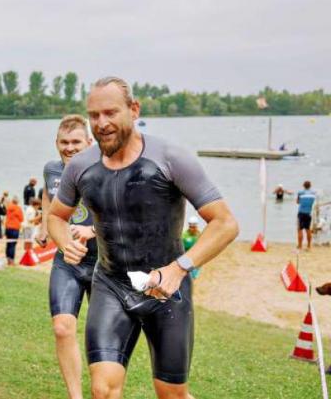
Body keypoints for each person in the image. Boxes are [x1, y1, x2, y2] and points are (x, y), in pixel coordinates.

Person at [49, 76, 238, 399]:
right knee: (103, 390)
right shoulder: (80, 166)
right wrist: (64, 241)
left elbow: (225, 223)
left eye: (111, 113)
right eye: (94, 115)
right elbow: (56, 215)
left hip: (166, 289)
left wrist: (179, 269)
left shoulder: (170, 158)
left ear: (134, 109)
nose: (101, 123)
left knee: (171, 394)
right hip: (111, 285)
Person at [41, 114, 98, 399]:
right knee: (62, 328)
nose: (70, 147)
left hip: (104, 264)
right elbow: (48, 198)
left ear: (89, 142)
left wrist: (93, 230)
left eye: (76, 142)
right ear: (56, 143)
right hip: (68, 261)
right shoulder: (51, 170)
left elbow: (127, 215)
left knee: (101, 338)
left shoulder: (105, 169)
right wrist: (45, 226)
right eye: (64, 142)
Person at [297, 180, 317, 251]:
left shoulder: (300, 192)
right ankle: (308, 246)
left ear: (303, 186)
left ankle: (300, 246)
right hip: (309, 213)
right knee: (308, 229)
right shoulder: (313, 193)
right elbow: (314, 202)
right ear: (310, 186)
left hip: (301, 212)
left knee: (300, 229)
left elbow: (297, 202)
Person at [4, 196, 23, 265]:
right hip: (15, 227)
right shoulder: (18, 208)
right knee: (13, 245)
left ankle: (8, 259)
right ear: (17, 202)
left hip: (8, 227)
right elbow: (21, 219)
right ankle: (11, 260)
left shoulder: (9, 207)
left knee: (8, 243)